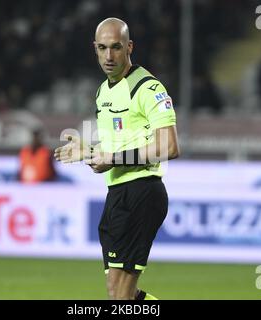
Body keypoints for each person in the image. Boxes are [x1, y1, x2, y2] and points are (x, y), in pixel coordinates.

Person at [54, 17, 180, 300]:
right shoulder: (103, 92)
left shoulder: (148, 88)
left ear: (129, 47)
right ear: (94, 49)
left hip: (142, 192)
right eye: (102, 48)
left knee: (121, 297)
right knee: (119, 293)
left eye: (116, 47)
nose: (109, 56)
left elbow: (169, 147)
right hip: (118, 194)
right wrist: (89, 151)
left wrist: (112, 159)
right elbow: (119, 148)